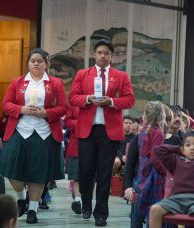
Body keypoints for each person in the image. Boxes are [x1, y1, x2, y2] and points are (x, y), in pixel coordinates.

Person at [69, 39, 135, 226]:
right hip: (87, 131)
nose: (103, 56)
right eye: (99, 52)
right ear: (94, 55)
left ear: (111, 56)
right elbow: (72, 98)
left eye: (106, 53)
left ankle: (101, 214)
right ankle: (86, 205)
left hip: (109, 131)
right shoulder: (83, 74)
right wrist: (88, 99)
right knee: (86, 172)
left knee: (105, 174)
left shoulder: (121, 76)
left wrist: (111, 102)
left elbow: (130, 100)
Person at [0, 48, 67, 224]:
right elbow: (5, 104)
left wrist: (46, 113)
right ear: (28, 63)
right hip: (20, 130)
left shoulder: (56, 83)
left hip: (45, 132)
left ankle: (33, 209)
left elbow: (63, 108)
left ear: (46, 64)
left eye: (40, 61)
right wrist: (20, 109)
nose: (36, 63)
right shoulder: (18, 82)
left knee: (38, 173)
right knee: (11, 169)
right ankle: (21, 198)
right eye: (33, 61)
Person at [123, 101, 165, 228]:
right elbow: (155, 158)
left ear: (145, 115)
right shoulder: (157, 132)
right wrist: (166, 171)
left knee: (138, 210)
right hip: (151, 178)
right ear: (161, 115)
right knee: (150, 211)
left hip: (141, 176)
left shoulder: (143, 132)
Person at [64, 105, 82, 214]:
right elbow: (68, 121)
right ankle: (77, 201)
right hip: (76, 144)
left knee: (89, 177)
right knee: (76, 176)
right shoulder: (73, 105)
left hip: (93, 144)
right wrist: (81, 123)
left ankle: (83, 199)